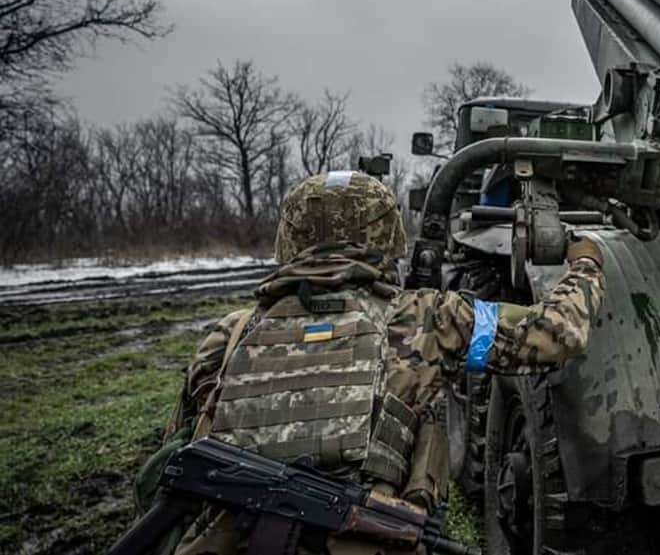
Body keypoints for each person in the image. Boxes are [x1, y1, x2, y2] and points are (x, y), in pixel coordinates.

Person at [134, 169, 605, 554]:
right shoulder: (427, 320)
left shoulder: (228, 335)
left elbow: (164, 466)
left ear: (289, 240)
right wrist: (585, 264)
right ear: (387, 238)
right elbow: (556, 333)